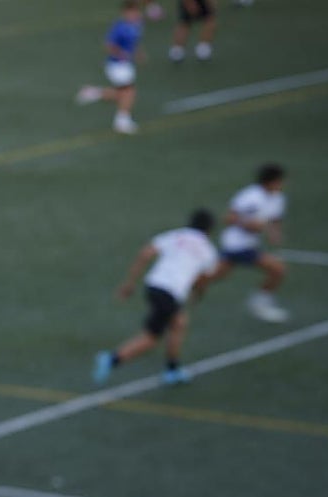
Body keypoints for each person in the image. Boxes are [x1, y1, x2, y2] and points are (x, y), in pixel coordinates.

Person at [94, 209, 220, 386]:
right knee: (153, 337)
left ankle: (172, 368)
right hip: (170, 292)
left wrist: (129, 283)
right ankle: (113, 359)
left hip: (153, 285)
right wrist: (197, 295)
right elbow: (204, 279)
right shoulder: (208, 251)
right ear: (209, 230)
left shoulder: (177, 236)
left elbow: (146, 253)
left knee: (178, 324)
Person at [208, 163, 289, 323]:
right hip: (237, 244)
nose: (282, 184)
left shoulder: (278, 199)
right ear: (269, 182)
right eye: (279, 181)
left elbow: (274, 220)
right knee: (278, 270)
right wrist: (249, 225)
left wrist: (274, 234)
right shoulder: (249, 196)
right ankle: (259, 305)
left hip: (249, 244)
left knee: (217, 274)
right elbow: (228, 218)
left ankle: (181, 287)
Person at [76, 0, 145, 135]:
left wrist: (138, 53)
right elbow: (108, 45)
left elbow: (134, 42)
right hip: (117, 65)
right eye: (132, 12)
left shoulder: (138, 24)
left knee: (123, 94)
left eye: (136, 12)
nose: (135, 14)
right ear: (124, 13)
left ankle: (93, 93)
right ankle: (121, 121)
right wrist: (122, 53)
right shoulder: (119, 27)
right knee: (129, 93)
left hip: (127, 64)